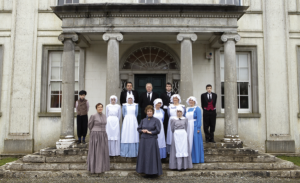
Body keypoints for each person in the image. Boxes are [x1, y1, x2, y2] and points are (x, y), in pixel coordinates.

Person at [136, 105, 163, 178]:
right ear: (146, 112)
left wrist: (150, 132)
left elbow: (158, 130)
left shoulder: (156, 120)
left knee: (152, 156)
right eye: (148, 111)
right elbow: (138, 129)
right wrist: (142, 130)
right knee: (145, 156)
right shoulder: (143, 120)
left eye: (150, 111)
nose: (149, 112)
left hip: (152, 140)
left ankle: (153, 172)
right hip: (144, 140)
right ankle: (146, 172)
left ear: (153, 112)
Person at [87, 103, 110, 173]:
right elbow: (90, 125)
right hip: (95, 135)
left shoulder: (104, 116)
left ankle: (102, 167)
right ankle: (94, 168)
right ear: (96, 108)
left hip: (103, 134)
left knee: (102, 151)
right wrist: (94, 132)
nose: (100, 108)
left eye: (101, 107)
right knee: (95, 151)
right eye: (98, 107)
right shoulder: (93, 116)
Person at [169, 106, 193, 170]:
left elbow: (186, 127)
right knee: (176, 149)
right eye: (178, 111)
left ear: (182, 112)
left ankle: (183, 166)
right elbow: (172, 128)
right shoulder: (173, 119)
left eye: (180, 112)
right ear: (176, 112)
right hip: (176, 135)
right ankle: (176, 166)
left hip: (183, 135)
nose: (179, 113)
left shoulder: (185, 119)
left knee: (184, 149)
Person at [186, 96, 204, 164]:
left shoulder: (197, 108)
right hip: (188, 126)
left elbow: (199, 119)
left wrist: (198, 128)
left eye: (192, 100)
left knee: (195, 142)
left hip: (195, 127)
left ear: (194, 101)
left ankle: (195, 159)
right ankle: (189, 158)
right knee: (189, 141)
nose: (191, 101)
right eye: (190, 100)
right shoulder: (187, 109)